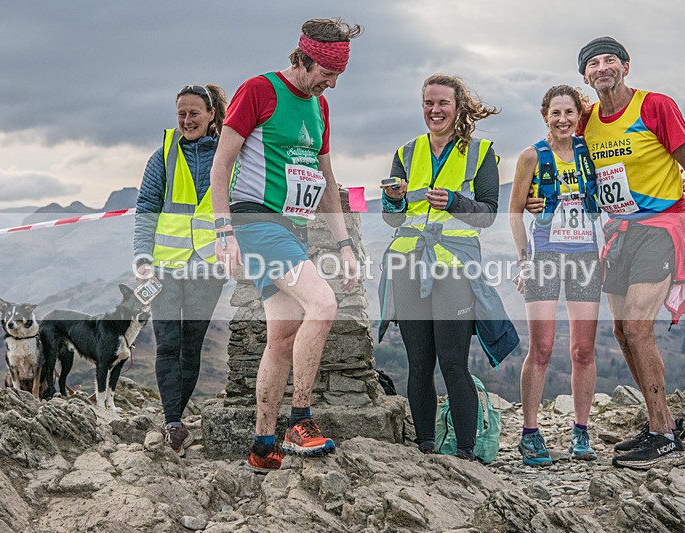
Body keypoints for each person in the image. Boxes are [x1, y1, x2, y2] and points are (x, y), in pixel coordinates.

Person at [209, 18, 361, 474]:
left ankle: (262, 444)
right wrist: (223, 231)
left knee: (280, 339)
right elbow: (222, 165)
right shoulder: (259, 90)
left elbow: (328, 182)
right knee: (325, 304)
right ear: (303, 58)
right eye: (326, 73)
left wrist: (345, 244)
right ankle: (301, 419)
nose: (331, 83)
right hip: (256, 221)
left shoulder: (321, 108)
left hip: (291, 229)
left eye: (337, 77)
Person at [575, 36, 685, 469]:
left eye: (609, 59)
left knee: (637, 328)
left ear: (626, 66)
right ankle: (664, 423)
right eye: (593, 63)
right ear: (585, 76)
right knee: (620, 330)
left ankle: (661, 436)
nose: (602, 68)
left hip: (662, 226)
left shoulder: (656, 106)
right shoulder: (588, 121)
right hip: (620, 233)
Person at [379, 74, 507, 461]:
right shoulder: (406, 152)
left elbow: (487, 214)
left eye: (443, 104)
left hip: (454, 269)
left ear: (457, 108)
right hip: (407, 265)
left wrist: (454, 200)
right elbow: (392, 221)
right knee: (419, 365)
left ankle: (465, 452)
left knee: (453, 363)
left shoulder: (481, 151)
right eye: (429, 103)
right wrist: (393, 202)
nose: (435, 110)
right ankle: (425, 447)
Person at [133, 84, 229, 457]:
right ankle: (173, 421)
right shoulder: (163, 157)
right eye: (181, 114)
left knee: (192, 346)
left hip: (208, 267)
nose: (187, 120)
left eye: (194, 113)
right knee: (167, 343)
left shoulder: (228, 153)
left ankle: (177, 416)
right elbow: (146, 209)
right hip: (165, 265)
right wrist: (142, 258)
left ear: (211, 115)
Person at [509, 85, 601, 466]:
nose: (563, 120)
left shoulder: (589, 154)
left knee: (583, 350)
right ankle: (530, 434)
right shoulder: (532, 155)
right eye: (556, 113)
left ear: (579, 115)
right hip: (545, 253)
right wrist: (523, 258)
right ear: (545, 115)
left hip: (586, 255)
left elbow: (608, 200)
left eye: (570, 113)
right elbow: (515, 211)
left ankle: (581, 431)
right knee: (542, 348)